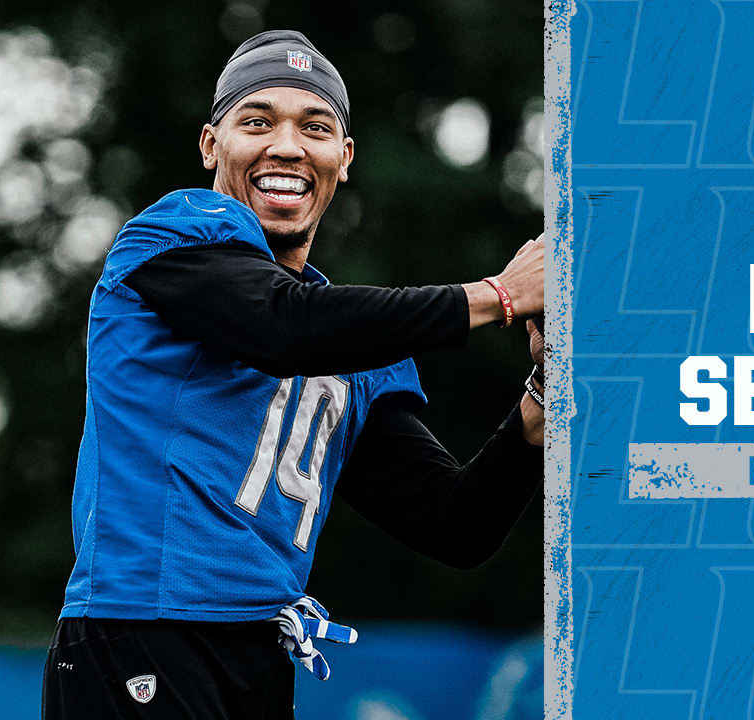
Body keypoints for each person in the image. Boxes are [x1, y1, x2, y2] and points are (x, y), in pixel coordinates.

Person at [41, 30, 545, 719]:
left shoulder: (351, 333)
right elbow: (281, 327)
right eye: (257, 121)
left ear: (345, 157)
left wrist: (540, 404)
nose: (285, 145)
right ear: (210, 146)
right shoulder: (174, 236)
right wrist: (502, 294)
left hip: (260, 654)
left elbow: (452, 525)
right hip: (142, 636)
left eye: (315, 126)